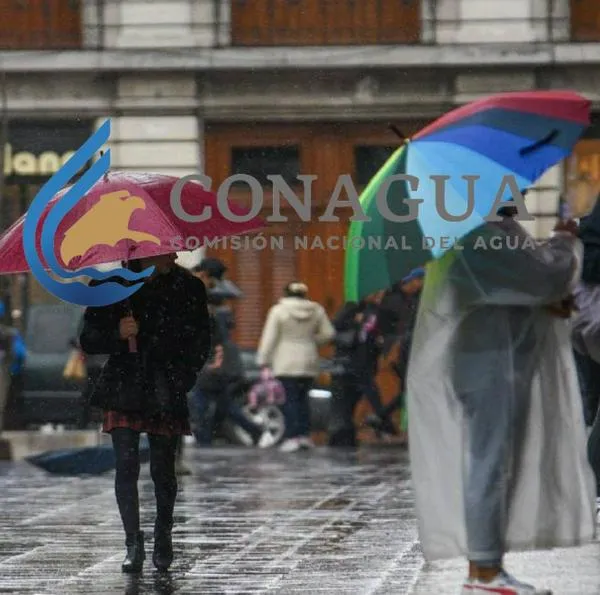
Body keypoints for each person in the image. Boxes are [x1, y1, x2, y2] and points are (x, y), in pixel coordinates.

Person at [406, 206, 595, 595]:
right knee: (490, 463)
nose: (521, 191)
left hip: (497, 362)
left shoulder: (486, 228)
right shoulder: (479, 231)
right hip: (490, 364)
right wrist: (563, 239)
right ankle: (485, 570)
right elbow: (541, 277)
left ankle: (489, 565)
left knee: (496, 462)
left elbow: (517, 286)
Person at [79, 253, 211, 573]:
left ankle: (163, 533)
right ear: (144, 249)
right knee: (126, 463)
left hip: (165, 385)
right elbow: (88, 339)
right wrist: (118, 334)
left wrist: (183, 377)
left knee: (164, 468)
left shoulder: (187, 286)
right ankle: (132, 542)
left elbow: (200, 339)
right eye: (167, 248)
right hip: (124, 384)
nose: (175, 254)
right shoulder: (112, 284)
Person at [257, 282, 335, 452]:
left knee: (289, 399)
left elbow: (269, 338)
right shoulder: (317, 310)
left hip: (286, 361)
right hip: (308, 359)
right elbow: (329, 333)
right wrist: (312, 341)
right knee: (303, 399)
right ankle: (305, 435)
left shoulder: (278, 311)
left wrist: (263, 359)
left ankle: (292, 436)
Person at [365, 269, 424, 442]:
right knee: (410, 387)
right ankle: (385, 417)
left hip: (403, 347)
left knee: (408, 388)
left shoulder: (408, 299)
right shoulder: (398, 301)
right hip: (403, 347)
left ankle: (383, 416)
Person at [327, 292, 389, 447]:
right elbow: (334, 328)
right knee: (347, 401)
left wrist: (379, 342)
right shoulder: (352, 308)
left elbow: (376, 333)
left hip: (366, 362)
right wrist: (355, 323)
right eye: (376, 292)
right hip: (348, 363)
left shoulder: (377, 311)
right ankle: (343, 435)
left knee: (355, 399)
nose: (378, 295)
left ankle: (348, 433)